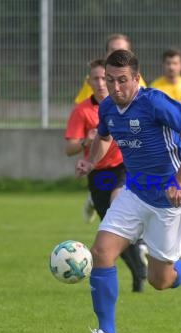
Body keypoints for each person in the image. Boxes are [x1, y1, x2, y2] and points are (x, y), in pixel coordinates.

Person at [71, 49, 181, 333]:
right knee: (101, 252)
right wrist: (92, 162)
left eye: (122, 81)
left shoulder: (154, 102)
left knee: (162, 281)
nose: (115, 88)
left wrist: (180, 180)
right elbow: (104, 137)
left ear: (136, 78)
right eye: (110, 80)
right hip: (134, 192)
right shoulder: (107, 107)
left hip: (170, 200)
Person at [64, 59, 148, 293]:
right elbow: (69, 148)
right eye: (96, 79)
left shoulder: (125, 104)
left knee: (118, 204)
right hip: (98, 173)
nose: (101, 83)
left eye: (105, 78)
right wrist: (85, 141)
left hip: (124, 168)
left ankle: (142, 246)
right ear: (88, 82)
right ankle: (138, 271)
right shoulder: (82, 111)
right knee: (112, 229)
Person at [75, 33, 147, 224]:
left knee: (125, 206)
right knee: (115, 213)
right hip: (103, 159)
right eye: (113, 50)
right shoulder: (99, 90)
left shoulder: (142, 87)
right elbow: (84, 106)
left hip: (128, 156)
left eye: (122, 50)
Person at [150, 47, 181, 233]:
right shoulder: (155, 87)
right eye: (168, 63)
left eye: (175, 63)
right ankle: (165, 209)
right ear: (164, 65)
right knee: (166, 175)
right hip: (164, 140)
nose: (172, 67)